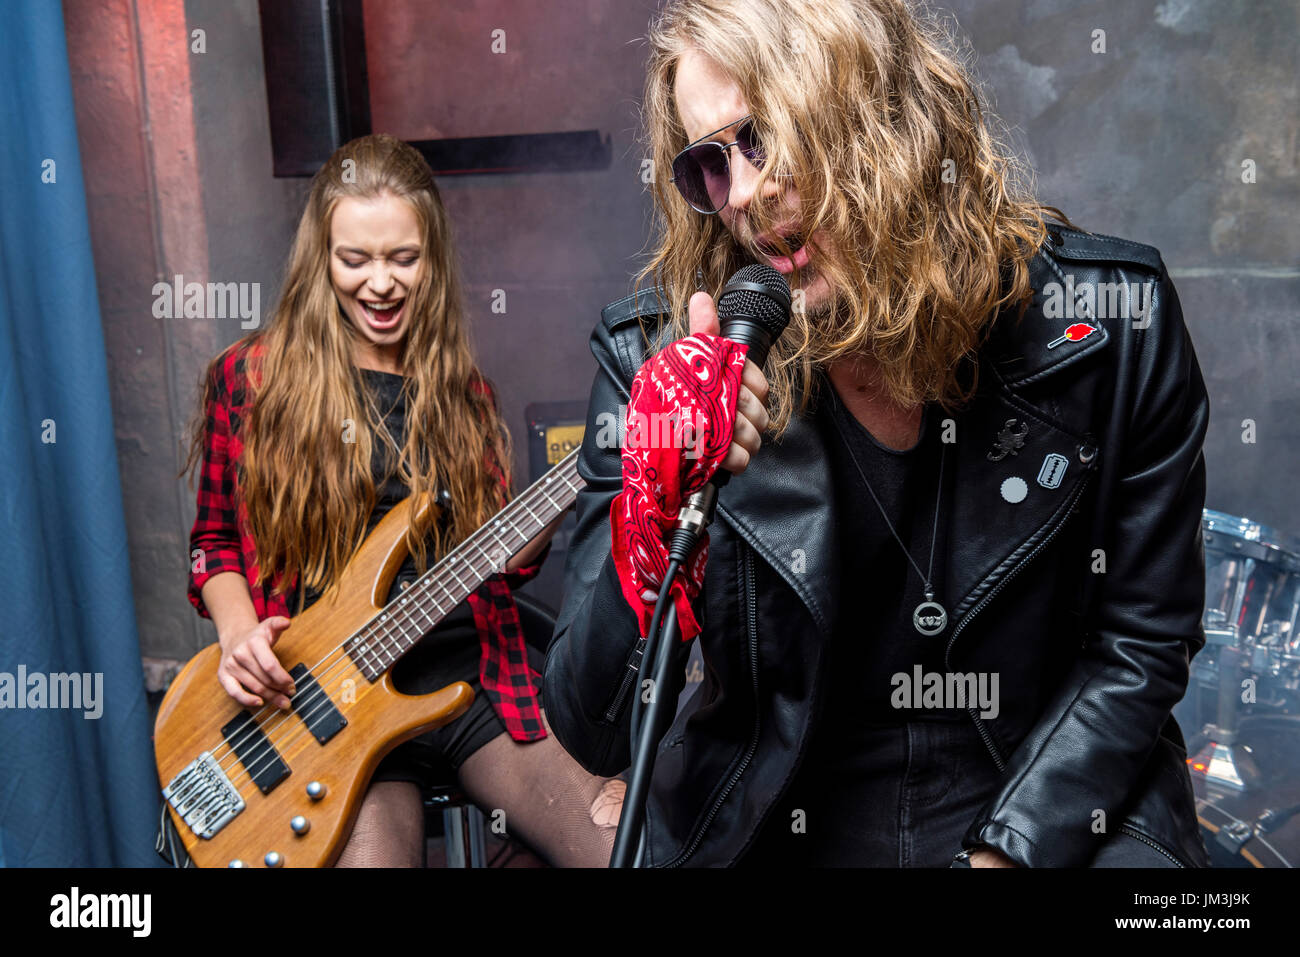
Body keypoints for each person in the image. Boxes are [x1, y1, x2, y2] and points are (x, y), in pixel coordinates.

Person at [544, 0, 1210, 867]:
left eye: (765, 137)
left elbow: (1140, 645)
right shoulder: (654, 365)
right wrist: (653, 513)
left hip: (1050, 807)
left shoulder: (1114, 327)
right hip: (778, 823)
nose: (743, 194)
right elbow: (593, 731)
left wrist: (1005, 854)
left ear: (880, 116)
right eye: (712, 163)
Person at [183, 133, 623, 867]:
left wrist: (538, 523)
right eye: (355, 259)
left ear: (434, 259)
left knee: (621, 848)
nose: (380, 283)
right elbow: (213, 544)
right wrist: (238, 636)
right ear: (320, 259)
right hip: (330, 707)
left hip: (466, 686)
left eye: (403, 258)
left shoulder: (464, 393)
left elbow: (500, 562)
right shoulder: (252, 378)